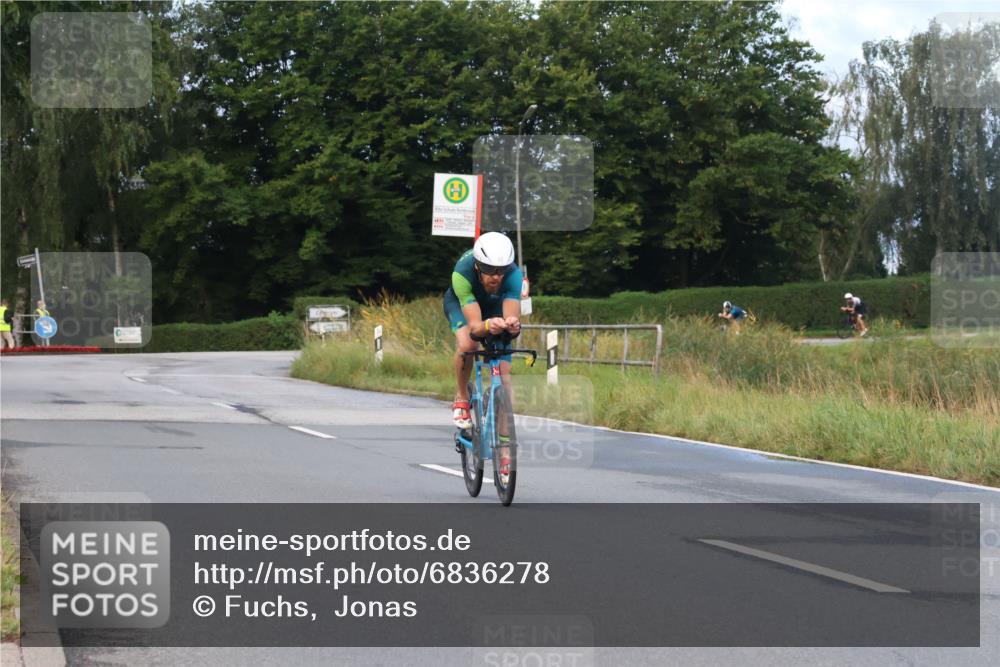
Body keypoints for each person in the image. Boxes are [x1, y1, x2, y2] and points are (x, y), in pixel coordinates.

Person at [443, 232, 522, 473]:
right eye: (489, 270)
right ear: (478, 266)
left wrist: (512, 325)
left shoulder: (514, 276)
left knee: (505, 379)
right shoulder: (462, 273)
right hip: (463, 305)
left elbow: (512, 318)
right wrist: (488, 326)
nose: (496, 277)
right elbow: (477, 328)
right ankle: (462, 398)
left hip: (495, 307)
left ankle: (506, 449)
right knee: (469, 344)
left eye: (501, 270)